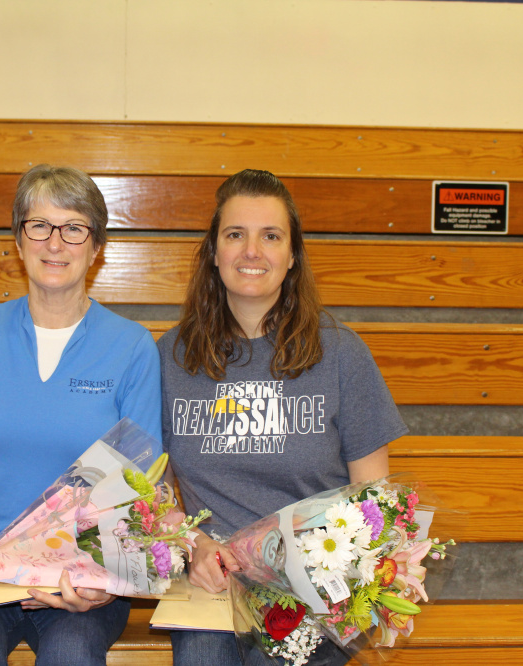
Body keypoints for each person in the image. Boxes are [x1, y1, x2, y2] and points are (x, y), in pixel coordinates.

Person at [0, 164, 162, 666]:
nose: (55, 243)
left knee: (72, 657)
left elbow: (141, 483)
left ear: (96, 249)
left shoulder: (131, 346)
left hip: (80, 581)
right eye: (39, 225)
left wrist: (104, 586)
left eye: (74, 228)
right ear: (19, 241)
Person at [157, 169, 407, 666]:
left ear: (292, 256)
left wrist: (337, 576)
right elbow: (155, 491)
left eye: (270, 236)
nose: (252, 251)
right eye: (235, 235)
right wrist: (194, 544)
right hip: (213, 584)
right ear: (214, 252)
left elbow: (374, 498)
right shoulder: (170, 357)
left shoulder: (340, 354)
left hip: (311, 590)